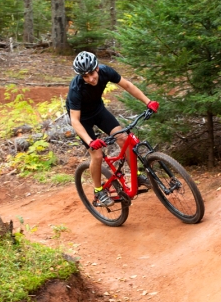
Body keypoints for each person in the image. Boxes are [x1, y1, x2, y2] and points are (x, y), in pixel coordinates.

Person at [66, 51, 159, 207]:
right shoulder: (75, 89)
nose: (90, 79)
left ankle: (136, 176)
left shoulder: (106, 71)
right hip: (83, 120)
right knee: (97, 155)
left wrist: (148, 102)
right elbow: (74, 121)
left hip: (98, 111)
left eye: (91, 74)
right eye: (85, 76)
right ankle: (98, 191)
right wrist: (91, 142)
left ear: (97, 68)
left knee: (123, 137)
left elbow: (128, 86)